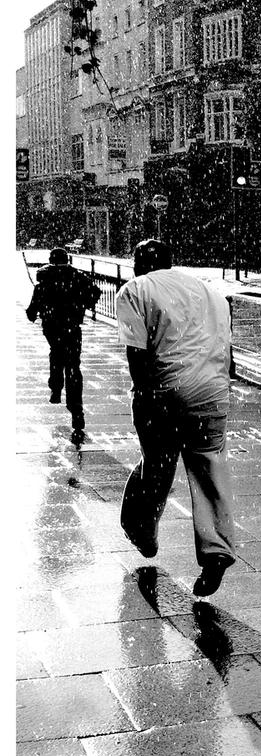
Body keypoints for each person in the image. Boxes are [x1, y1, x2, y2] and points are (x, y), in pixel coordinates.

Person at [116, 239, 236, 597]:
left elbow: (136, 353)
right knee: (209, 469)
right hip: (212, 391)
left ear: (140, 263)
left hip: (165, 388)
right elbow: (225, 347)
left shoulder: (135, 290)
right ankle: (217, 552)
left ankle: (143, 531)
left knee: (157, 464)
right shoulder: (210, 292)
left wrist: (144, 396)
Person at [25, 246, 101, 442]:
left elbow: (33, 308)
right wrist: (82, 304)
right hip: (72, 326)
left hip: (52, 326)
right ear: (67, 260)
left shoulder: (44, 280)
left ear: (51, 259)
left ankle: (56, 386)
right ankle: (77, 411)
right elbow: (95, 293)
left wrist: (34, 313)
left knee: (56, 352)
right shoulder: (77, 277)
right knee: (74, 365)